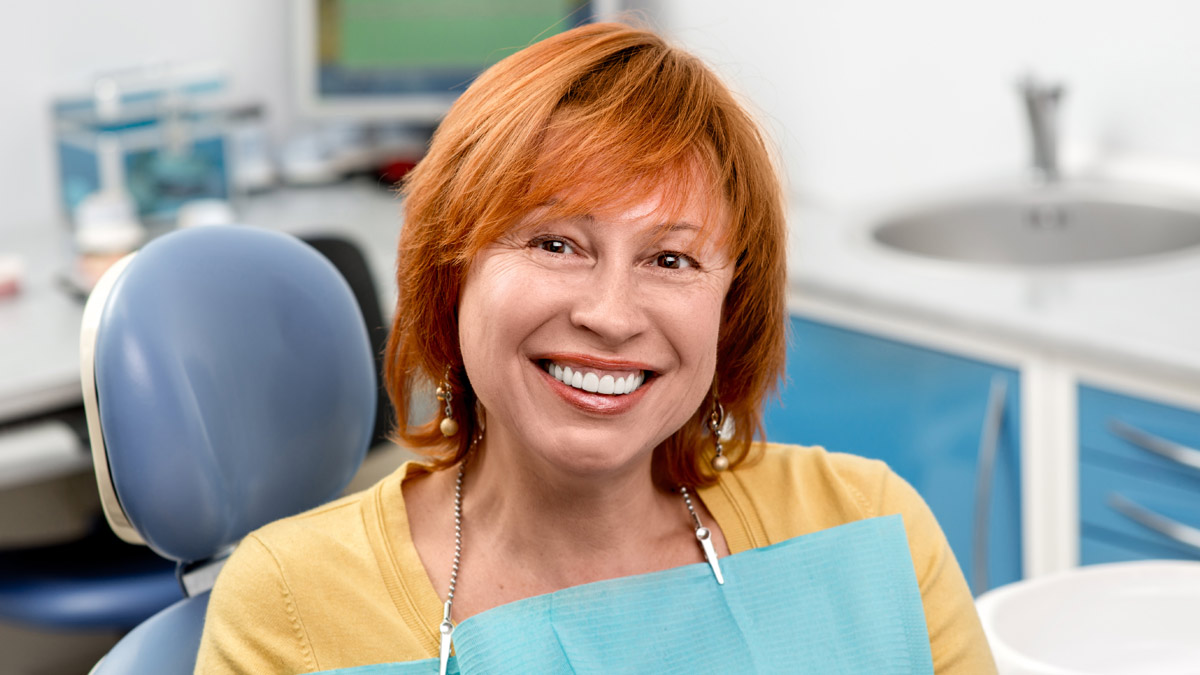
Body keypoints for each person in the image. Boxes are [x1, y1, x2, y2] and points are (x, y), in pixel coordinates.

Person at [195, 21, 996, 674]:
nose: (612, 315)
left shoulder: (869, 527)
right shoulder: (290, 606)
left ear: (730, 310)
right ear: (451, 273)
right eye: (555, 243)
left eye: (671, 259)